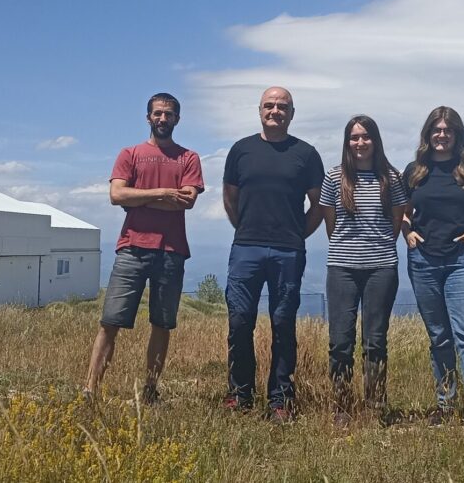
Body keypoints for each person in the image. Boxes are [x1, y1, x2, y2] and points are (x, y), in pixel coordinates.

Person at [84, 92, 204, 403]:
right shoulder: (130, 153)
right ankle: (90, 390)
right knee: (110, 322)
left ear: (177, 119)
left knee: (162, 324)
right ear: (148, 117)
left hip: (171, 250)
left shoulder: (188, 157)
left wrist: (139, 197)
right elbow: (116, 195)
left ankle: (151, 390)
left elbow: (187, 200)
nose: (163, 119)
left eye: (169, 114)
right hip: (132, 248)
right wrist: (165, 192)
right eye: (158, 113)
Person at [222, 86, 325, 423]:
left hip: (288, 251)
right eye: (270, 105)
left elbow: (318, 205)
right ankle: (240, 393)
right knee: (239, 322)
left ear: (292, 113)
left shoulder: (306, 154)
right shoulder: (241, 150)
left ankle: (279, 399)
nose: (275, 111)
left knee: (283, 323)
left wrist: (297, 234)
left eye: (283, 106)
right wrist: (245, 229)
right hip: (246, 247)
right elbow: (229, 197)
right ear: (260, 110)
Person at [402, 106, 464, 426]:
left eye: (448, 130)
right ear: (428, 134)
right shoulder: (415, 171)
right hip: (423, 260)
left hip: (463, 260)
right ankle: (444, 406)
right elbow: (403, 212)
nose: (441, 135)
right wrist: (407, 232)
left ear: (457, 134)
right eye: (436, 130)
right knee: (439, 337)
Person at [319, 115, 407, 427]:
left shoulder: (392, 178)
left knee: (375, 341)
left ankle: (375, 406)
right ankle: (341, 406)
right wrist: (350, 248)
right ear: (347, 142)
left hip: (381, 267)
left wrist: (377, 248)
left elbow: (397, 221)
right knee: (340, 341)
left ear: (375, 140)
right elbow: (331, 224)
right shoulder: (334, 177)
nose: (360, 143)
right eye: (354, 137)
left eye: (365, 137)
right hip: (341, 267)